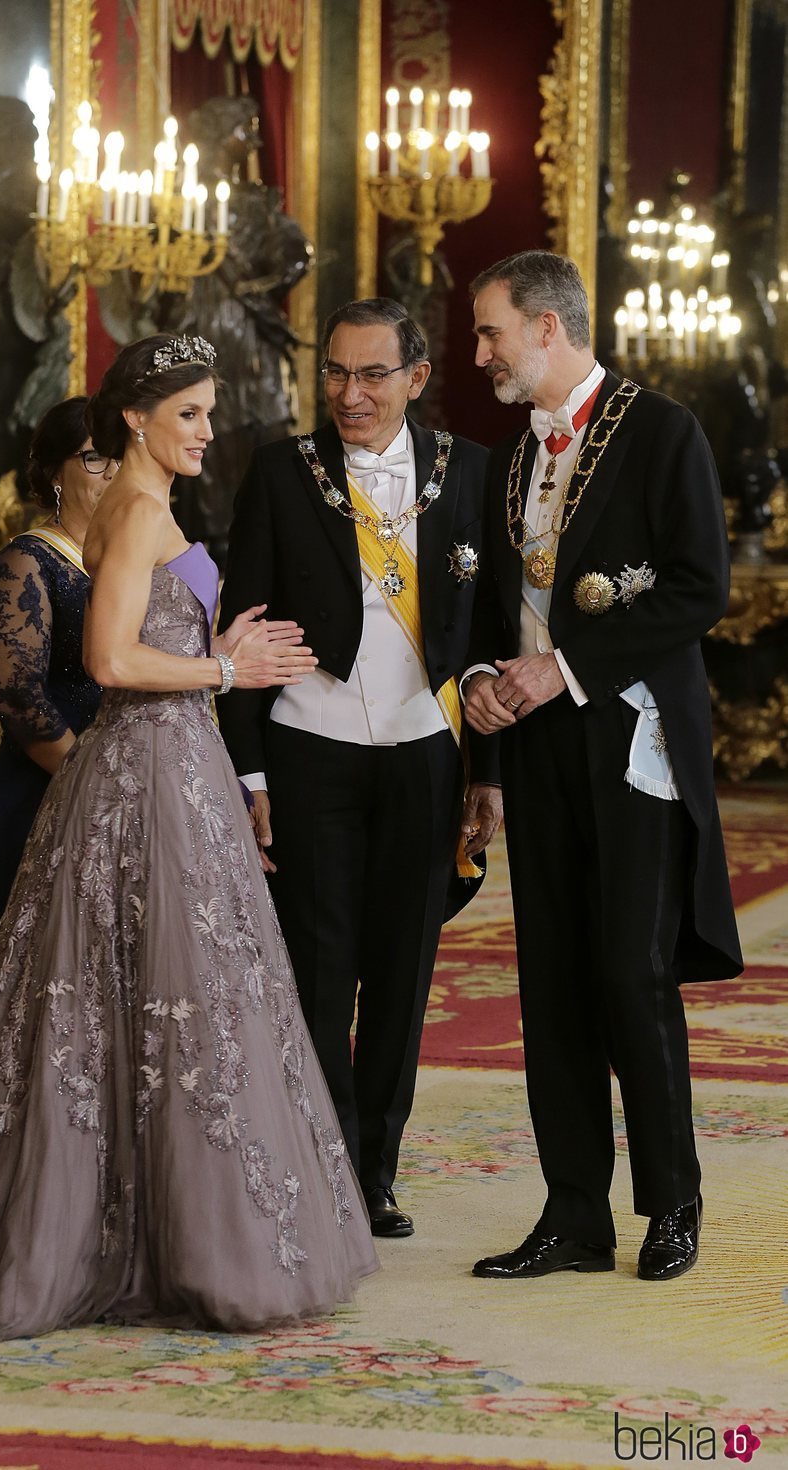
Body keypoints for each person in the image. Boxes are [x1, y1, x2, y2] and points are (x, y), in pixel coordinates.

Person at [0, 334, 378, 1337]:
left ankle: (173, 1231)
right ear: (135, 420)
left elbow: (163, 637)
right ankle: (125, 1238)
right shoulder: (134, 509)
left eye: (209, 412)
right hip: (140, 773)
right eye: (189, 414)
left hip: (179, 766)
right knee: (136, 997)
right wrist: (224, 673)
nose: (207, 430)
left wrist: (220, 652)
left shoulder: (156, 508)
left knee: (176, 1001)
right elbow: (108, 658)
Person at [463, 250, 743, 1282]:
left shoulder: (662, 431)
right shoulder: (503, 458)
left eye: (491, 331)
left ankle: (672, 1205)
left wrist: (561, 668)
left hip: (633, 744)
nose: (479, 352)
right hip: (535, 746)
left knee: (630, 973)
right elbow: (497, 612)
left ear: (546, 327)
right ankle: (572, 1216)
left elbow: (696, 589)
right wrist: (491, 692)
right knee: (553, 985)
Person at [217, 298, 501, 1241]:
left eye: (373, 374)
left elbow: (491, 641)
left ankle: (375, 1171)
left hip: (427, 752)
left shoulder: (470, 474)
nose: (350, 394)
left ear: (416, 379)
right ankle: (322, 1163)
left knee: (401, 971)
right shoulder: (280, 472)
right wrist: (247, 774)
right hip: (309, 748)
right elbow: (243, 632)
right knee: (318, 969)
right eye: (335, 372)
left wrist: (485, 774)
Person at [0, 397, 113, 945]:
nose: (114, 472)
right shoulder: (26, 562)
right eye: (96, 457)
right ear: (56, 471)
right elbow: (17, 697)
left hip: (125, 786)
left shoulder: (134, 557)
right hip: (49, 788)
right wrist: (92, 784)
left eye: (122, 457)